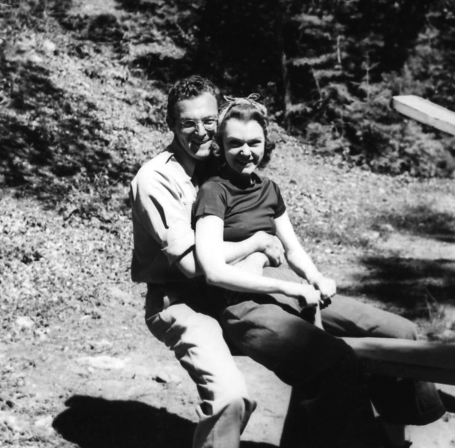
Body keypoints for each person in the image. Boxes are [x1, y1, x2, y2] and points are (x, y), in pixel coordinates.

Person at [192, 95, 446, 448]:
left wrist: (314, 277)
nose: (245, 151)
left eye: (254, 143)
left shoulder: (269, 190)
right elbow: (213, 272)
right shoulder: (213, 192)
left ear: (266, 143)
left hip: (285, 290)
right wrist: (291, 290)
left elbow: (293, 248)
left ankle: (412, 423)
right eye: (234, 143)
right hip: (243, 306)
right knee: (336, 361)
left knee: (399, 330)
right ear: (221, 145)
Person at [129, 76, 290, 448]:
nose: (200, 131)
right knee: (230, 398)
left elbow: (260, 206)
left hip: (229, 290)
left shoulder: (220, 161)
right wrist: (257, 242)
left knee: (329, 353)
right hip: (181, 301)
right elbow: (191, 265)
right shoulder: (156, 180)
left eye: (208, 121)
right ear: (171, 125)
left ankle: (405, 414)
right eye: (188, 123)